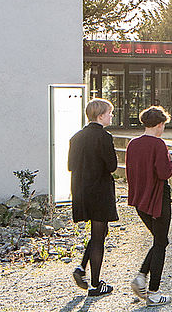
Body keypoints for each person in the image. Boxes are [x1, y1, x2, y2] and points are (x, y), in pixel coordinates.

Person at [125, 105, 172, 306]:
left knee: (159, 240)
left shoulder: (133, 144)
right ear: (160, 124)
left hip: (140, 199)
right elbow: (164, 173)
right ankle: (153, 292)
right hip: (158, 198)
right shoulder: (158, 144)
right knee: (161, 243)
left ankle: (141, 277)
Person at [68, 97, 119, 297]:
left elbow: (70, 165)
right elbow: (112, 166)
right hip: (99, 190)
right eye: (109, 113)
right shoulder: (104, 137)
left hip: (80, 190)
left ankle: (82, 268)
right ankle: (95, 285)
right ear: (100, 116)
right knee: (98, 237)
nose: (111, 116)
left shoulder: (76, 137)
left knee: (100, 233)